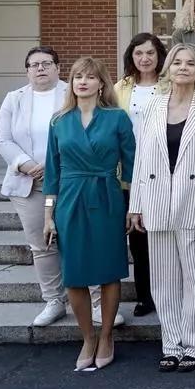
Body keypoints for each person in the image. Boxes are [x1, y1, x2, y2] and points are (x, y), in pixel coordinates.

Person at [127, 44, 195, 372]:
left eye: (190, 64)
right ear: (168, 68)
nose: (183, 68)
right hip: (156, 199)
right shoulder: (153, 106)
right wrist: (136, 204)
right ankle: (171, 344)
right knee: (164, 280)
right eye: (177, 62)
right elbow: (141, 159)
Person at [42, 57, 136, 370]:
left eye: (90, 77)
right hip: (69, 199)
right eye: (78, 76)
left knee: (109, 269)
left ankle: (107, 335)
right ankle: (87, 337)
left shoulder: (117, 118)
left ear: (101, 84)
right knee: (74, 273)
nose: (83, 81)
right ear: (71, 83)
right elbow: (52, 173)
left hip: (107, 197)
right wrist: (47, 215)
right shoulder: (59, 120)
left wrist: (133, 205)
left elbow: (133, 166)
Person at [0, 47, 69, 327]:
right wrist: (26, 164)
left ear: (58, 68)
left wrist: (56, 167)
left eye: (46, 63)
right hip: (30, 183)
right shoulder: (14, 99)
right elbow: (2, 139)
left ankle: (95, 301)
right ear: (27, 70)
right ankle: (54, 300)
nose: (40, 68)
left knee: (79, 241)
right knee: (42, 244)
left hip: (68, 181)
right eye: (34, 64)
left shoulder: (71, 93)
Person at [113, 33, 166, 318]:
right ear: (131, 57)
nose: (145, 59)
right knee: (139, 238)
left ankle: (168, 292)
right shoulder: (120, 88)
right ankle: (146, 295)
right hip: (129, 173)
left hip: (164, 171)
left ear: (159, 56)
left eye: (150, 53)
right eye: (138, 54)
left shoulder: (169, 86)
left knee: (163, 235)